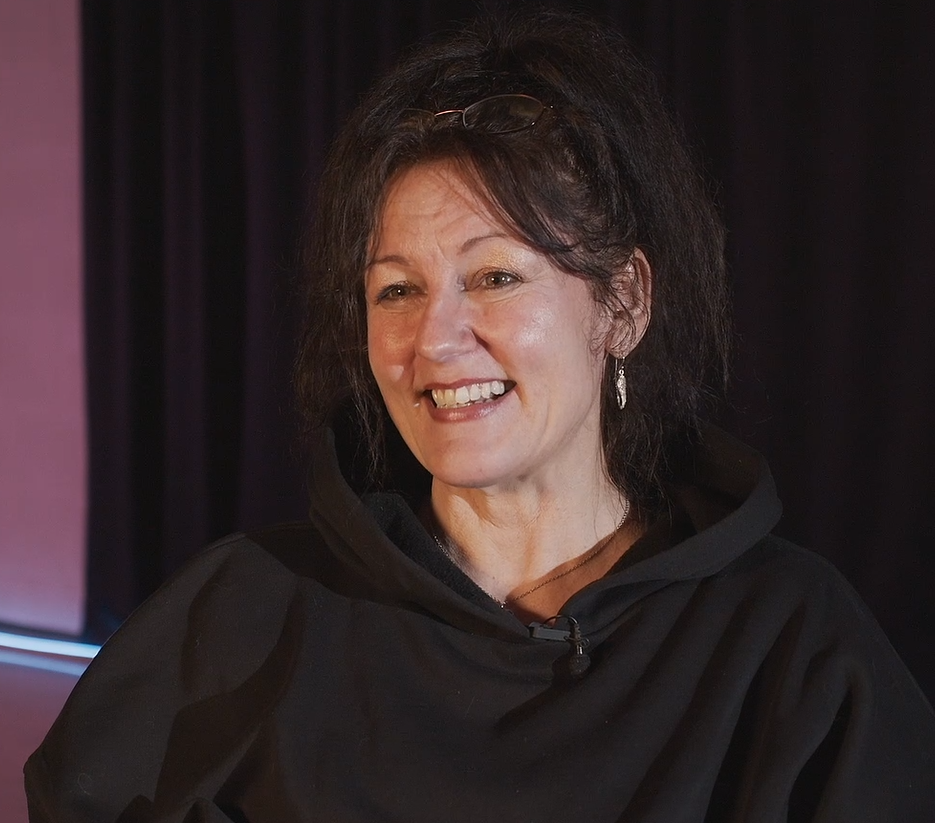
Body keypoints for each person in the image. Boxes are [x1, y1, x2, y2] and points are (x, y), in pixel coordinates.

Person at [25, 9, 935, 822]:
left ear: (622, 303)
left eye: (495, 276)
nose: (434, 338)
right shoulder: (244, 612)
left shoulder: (787, 641)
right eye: (395, 290)